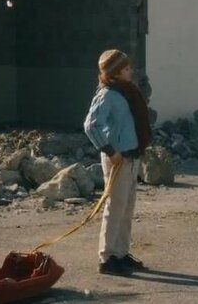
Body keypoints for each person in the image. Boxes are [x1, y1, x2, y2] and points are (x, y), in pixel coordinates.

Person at [83, 49, 152, 276]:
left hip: (131, 155)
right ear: (115, 73)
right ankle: (106, 257)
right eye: (126, 68)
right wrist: (109, 150)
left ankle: (121, 253)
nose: (130, 71)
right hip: (117, 158)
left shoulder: (127, 92)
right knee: (115, 207)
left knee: (127, 206)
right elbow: (91, 125)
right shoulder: (107, 95)